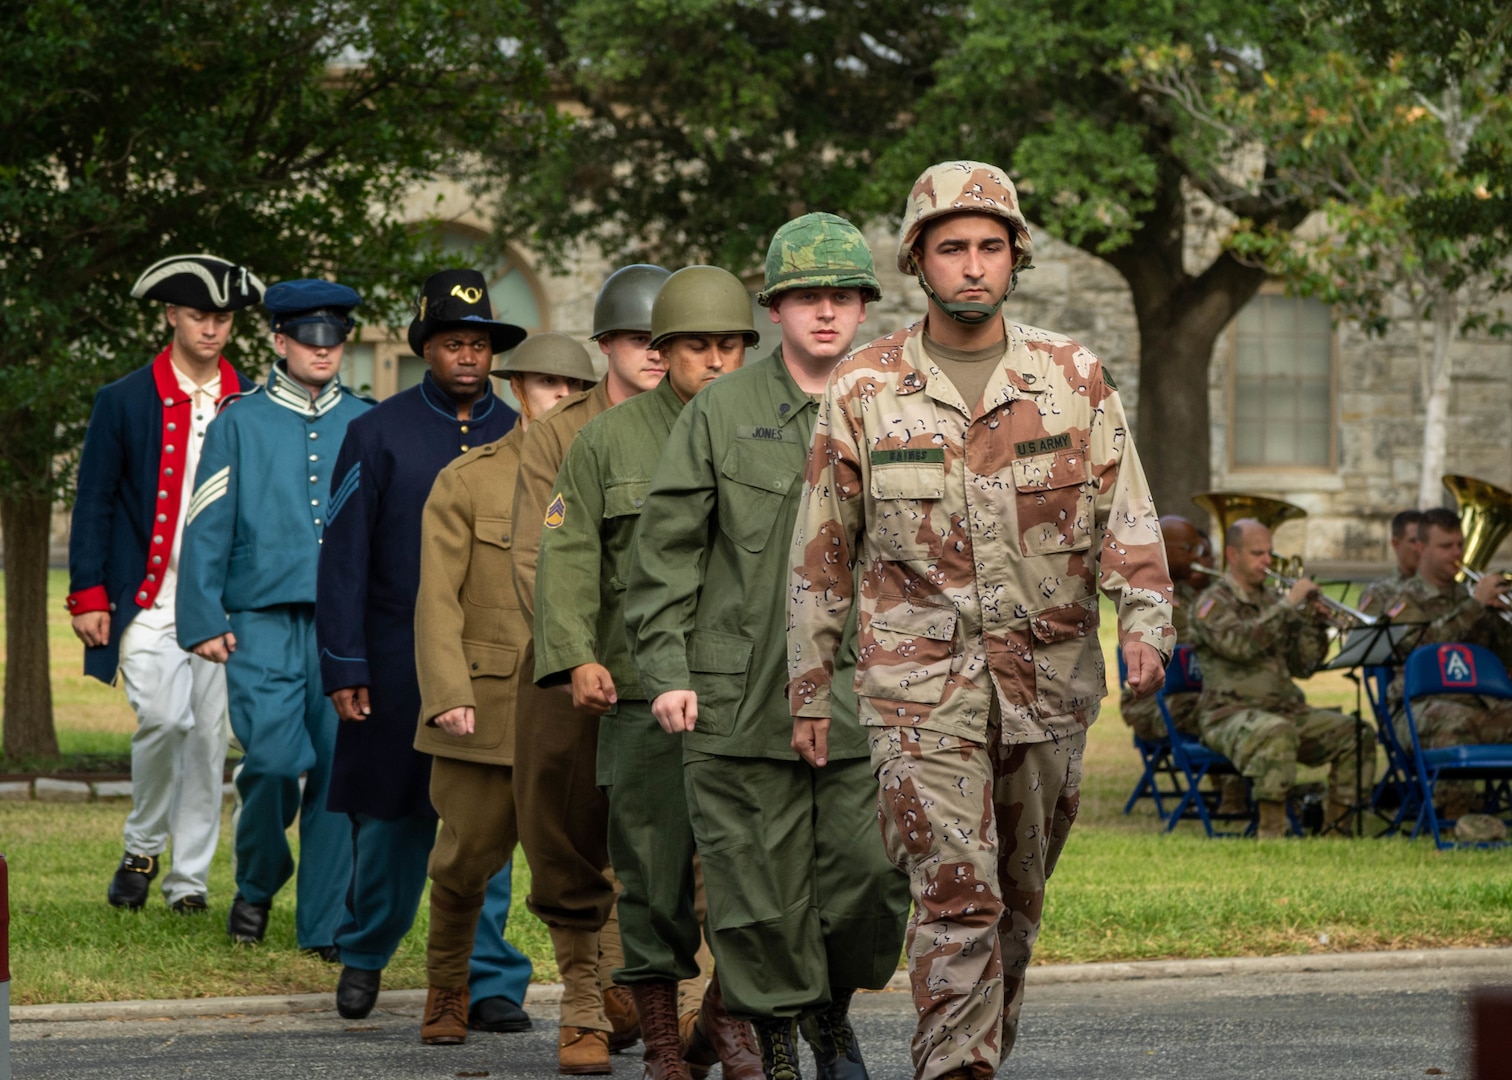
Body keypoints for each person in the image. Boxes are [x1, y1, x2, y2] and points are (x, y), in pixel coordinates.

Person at [787, 161, 1173, 1080]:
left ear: (1015, 257)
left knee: (1016, 904)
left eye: (989, 248)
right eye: (951, 248)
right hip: (920, 698)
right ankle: (954, 1069)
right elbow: (821, 555)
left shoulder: (1071, 377)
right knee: (955, 900)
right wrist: (809, 688)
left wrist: (1148, 621)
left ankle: (981, 1053)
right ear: (918, 260)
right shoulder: (864, 389)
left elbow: (1128, 513)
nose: (971, 266)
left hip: (1048, 688)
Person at [626, 219, 910, 1080]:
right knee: (758, 890)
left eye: (843, 296)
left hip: (869, 688)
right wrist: (668, 672)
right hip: (741, 692)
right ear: (777, 307)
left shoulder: (897, 403)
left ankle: (833, 1013)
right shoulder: (721, 409)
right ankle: (779, 1035)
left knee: (868, 879)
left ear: (863, 306)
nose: (826, 313)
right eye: (806, 297)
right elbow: (667, 549)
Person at [539, 265, 764, 1080]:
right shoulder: (608, 440)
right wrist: (576, 654)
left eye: (730, 345)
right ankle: (666, 1041)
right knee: (650, 870)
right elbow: (564, 555)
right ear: (663, 355)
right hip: (640, 690)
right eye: (696, 346)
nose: (715, 361)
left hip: (749, 689)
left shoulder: (774, 431)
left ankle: (727, 1021)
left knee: (753, 867)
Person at [316, 269, 528, 1022]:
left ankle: (492, 981)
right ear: (425, 350)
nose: (466, 356)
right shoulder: (374, 433)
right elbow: (342, 556)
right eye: (450, 343)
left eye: (477, 343)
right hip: (395, 663)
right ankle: (366, 952)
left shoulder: (522, 437)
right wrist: (344, 663)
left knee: (485, 829)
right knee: (391, 824)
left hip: (490, 669)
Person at [413, 332, 597, 1043]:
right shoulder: (469, 479)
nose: (559, 399)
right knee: (465, 858)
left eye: (573, 388)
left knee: (587, 865)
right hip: (485, 705)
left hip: (576, 705)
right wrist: (446, 690)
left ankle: (592, 1008)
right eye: (545, 385)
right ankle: (446, 986)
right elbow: (437, 600)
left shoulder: (603, 471)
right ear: (518, 389)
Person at [175, 279, 369, 953]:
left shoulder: (366, 422)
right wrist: (201, 615)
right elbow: (206, 519)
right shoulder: (240, 421)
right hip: (259, 622)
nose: (324, 350)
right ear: (281, 340)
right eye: (310, 338)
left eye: (335, 338)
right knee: (276, 762)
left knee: (341, 774)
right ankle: (257, 882)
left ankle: (324, 928)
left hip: (348, 628)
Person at [510, 264, 671, 1074]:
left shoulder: (701, 420)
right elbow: (537, 554)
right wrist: (577, 650)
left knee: (672, 841)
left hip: (672, 663)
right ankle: (583, 999)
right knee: (567, 836)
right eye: (636, 339)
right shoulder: (559, 433)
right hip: (573, 657)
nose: (651, 354)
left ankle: (654, 996)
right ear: (605, 344)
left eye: (662, 339)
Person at [68, 254, 262, 914]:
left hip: (224, 600)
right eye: (199, 316)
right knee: (163, 718)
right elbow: (93, 500)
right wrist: (89, 595)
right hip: (149, 599)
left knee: (210, 738)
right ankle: (142, 844)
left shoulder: (251, 402)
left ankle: (190, 883)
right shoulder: (122, 400)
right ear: (172, 316)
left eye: (223, 318)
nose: (212, 329)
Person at [1190, 519, 1373, 838]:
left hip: (1284, 710)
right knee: (1277, 733)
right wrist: (1289, 605)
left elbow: (1303, 667)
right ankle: (1272, 831)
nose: (1267, 561)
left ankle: (1336, 830)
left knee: (1356, 734)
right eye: (1257, 553)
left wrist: (1313, 624)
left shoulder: (1273, 602)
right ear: (1233, 555)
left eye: (1270, 553)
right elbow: (1242, 645)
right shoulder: (1213, 603)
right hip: (1229, 714)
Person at [1360, 506, 1512, 827]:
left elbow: (1503, 661)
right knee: (1454, 723)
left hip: (1480, 703)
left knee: (1468, 717)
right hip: (1417, 708)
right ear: (1421, 548)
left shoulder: (1470, 596)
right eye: (1446, 546)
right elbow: (1421, 647)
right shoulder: (1400, 599)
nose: (1456, 553)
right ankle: (1458, 820)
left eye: (1459, 545)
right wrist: (1474, 607)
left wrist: (1501, 618)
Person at [1358, 509, 1425, 613]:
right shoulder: (1378, 593)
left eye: (1425, 540)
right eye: (1413, 541)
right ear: (1395, 543)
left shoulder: (1444, 587)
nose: (1420, 547)